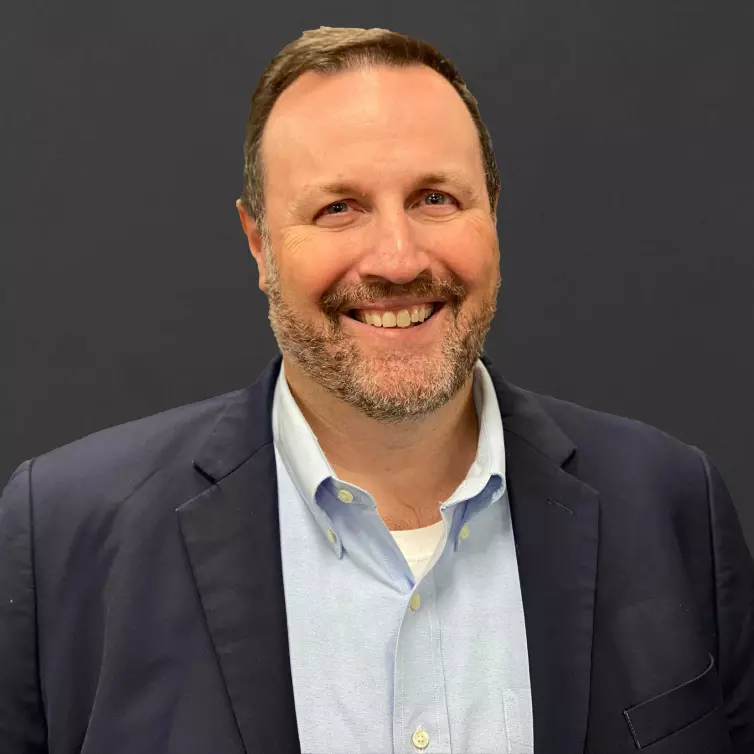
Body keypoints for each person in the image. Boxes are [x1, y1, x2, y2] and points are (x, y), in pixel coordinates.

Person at [1, 25, 752, 754]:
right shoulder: (65, 537)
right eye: (339, 208)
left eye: (435, 199)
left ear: (492, 212)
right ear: (259, 243)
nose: (396, 258)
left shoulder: (673, 505)